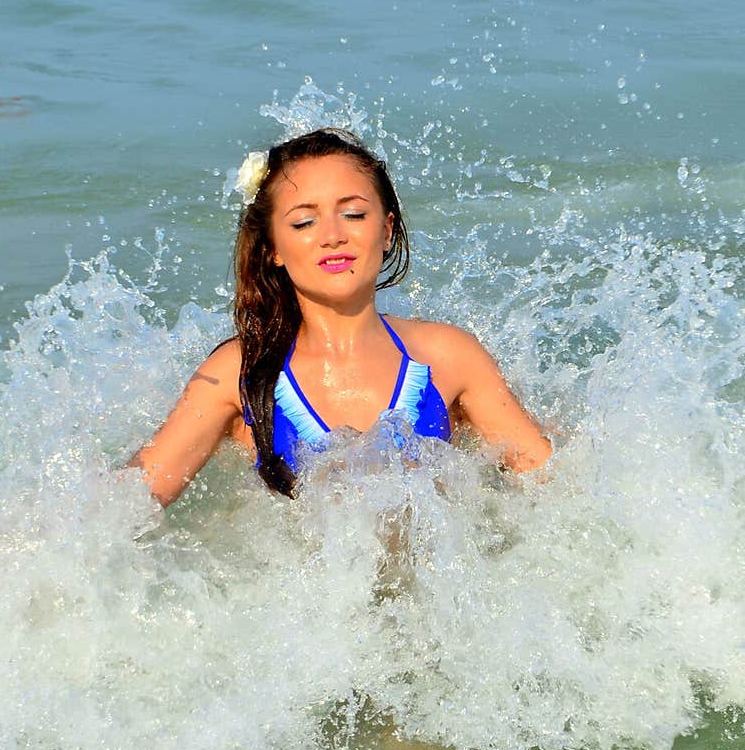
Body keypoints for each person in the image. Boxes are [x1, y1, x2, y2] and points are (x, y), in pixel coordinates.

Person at [127, 127, 551, 506]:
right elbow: (125, 507)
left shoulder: (448, 357)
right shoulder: (238, 372)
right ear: (272, 247)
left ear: (386, 231)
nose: (332, 236)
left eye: (353, 214)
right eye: (304, 222)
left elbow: (554, 491)